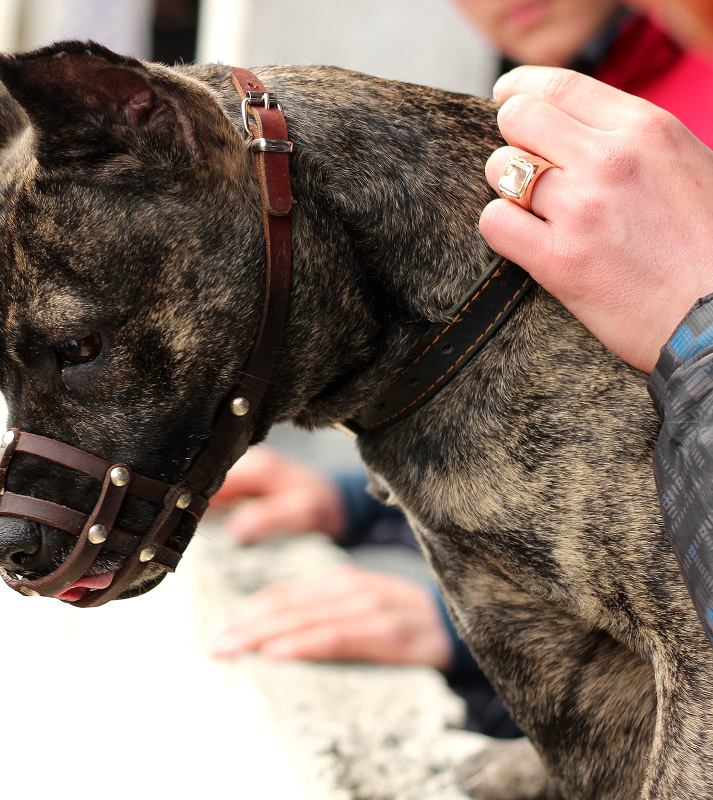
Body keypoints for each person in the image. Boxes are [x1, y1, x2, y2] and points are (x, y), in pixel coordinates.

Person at [210, 0, 713, 733]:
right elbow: (614, 441)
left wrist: (484, 630)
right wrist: (363, 504)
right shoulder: (598, 97)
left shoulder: (653, 134)